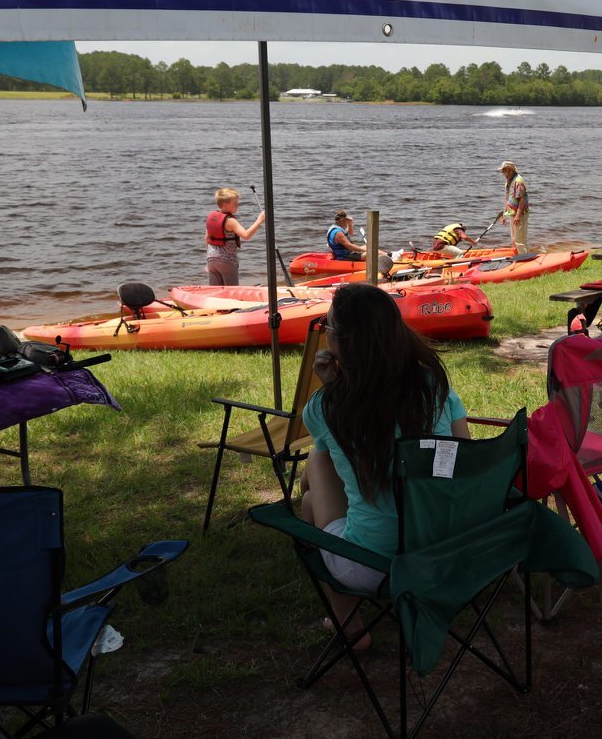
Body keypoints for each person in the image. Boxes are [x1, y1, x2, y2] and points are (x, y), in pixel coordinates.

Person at [300, 283, 470, 643]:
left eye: (327, 326)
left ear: (341, 341)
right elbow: (464, 457)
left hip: (373, 567)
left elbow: (329, 459)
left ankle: (351, 627)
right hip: (446, 552)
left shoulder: (324, 407)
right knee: (341, 475)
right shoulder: (434, 385)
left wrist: (333, 388)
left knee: (312, 485)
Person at [204, 187, 265, 286]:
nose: (238, 206)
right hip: (227, 261)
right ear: (225, 205)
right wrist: (259, 220)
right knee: (231, 290)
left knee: (215, 290)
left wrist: (209, 259)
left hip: (211, 259)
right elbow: (246, 235)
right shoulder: (230, 221)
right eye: (235, 204)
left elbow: (207, 238)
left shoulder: (212, 217)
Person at [497, 161, 530, 249]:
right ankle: (517, 256)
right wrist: (504, 214)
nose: (503, 173)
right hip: (512, 213)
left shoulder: (518, 181)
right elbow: (507, 199)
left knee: (519, 240)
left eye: (504, 171)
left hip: (520, 213)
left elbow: (522, 199)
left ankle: (524, 258)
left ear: (510, 170)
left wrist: (518, 216)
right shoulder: (508, 181)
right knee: (514, 239)